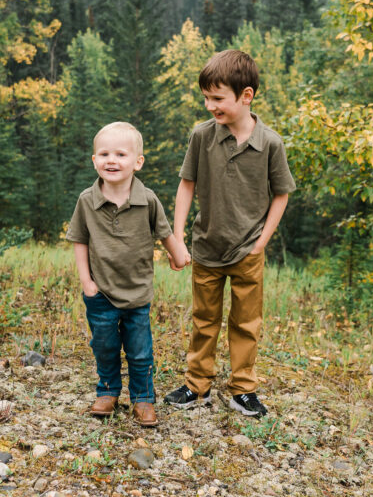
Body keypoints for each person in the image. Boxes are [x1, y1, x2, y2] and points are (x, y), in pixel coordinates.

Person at [163, 50, 295, 417]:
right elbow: (186, 185)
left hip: (248, 251)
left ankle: (243, 390)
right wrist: (176, 237)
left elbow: (281, 194)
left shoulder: (270, 143)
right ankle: (196, 386)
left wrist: (262, 242)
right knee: (204, 320)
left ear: (246, 95)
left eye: (217, 98)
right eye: (206, 97)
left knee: (246, 323)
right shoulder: (202, 136)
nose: (209, 105)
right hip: (206, 247)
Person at [67, 121, 186, 427]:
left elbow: (165, 233)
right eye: (104, 154)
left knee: (139, 350)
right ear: (94, 160)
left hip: (136, 292)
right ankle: (107, 391)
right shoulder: (86, 201)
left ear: (137, 162)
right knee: (104, 346)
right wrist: (87, 282)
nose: (112, 160)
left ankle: (143, 399)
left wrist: (178, 255)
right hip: (101, 292)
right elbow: (80, 240)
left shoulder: (148, 200)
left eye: (121, 154)